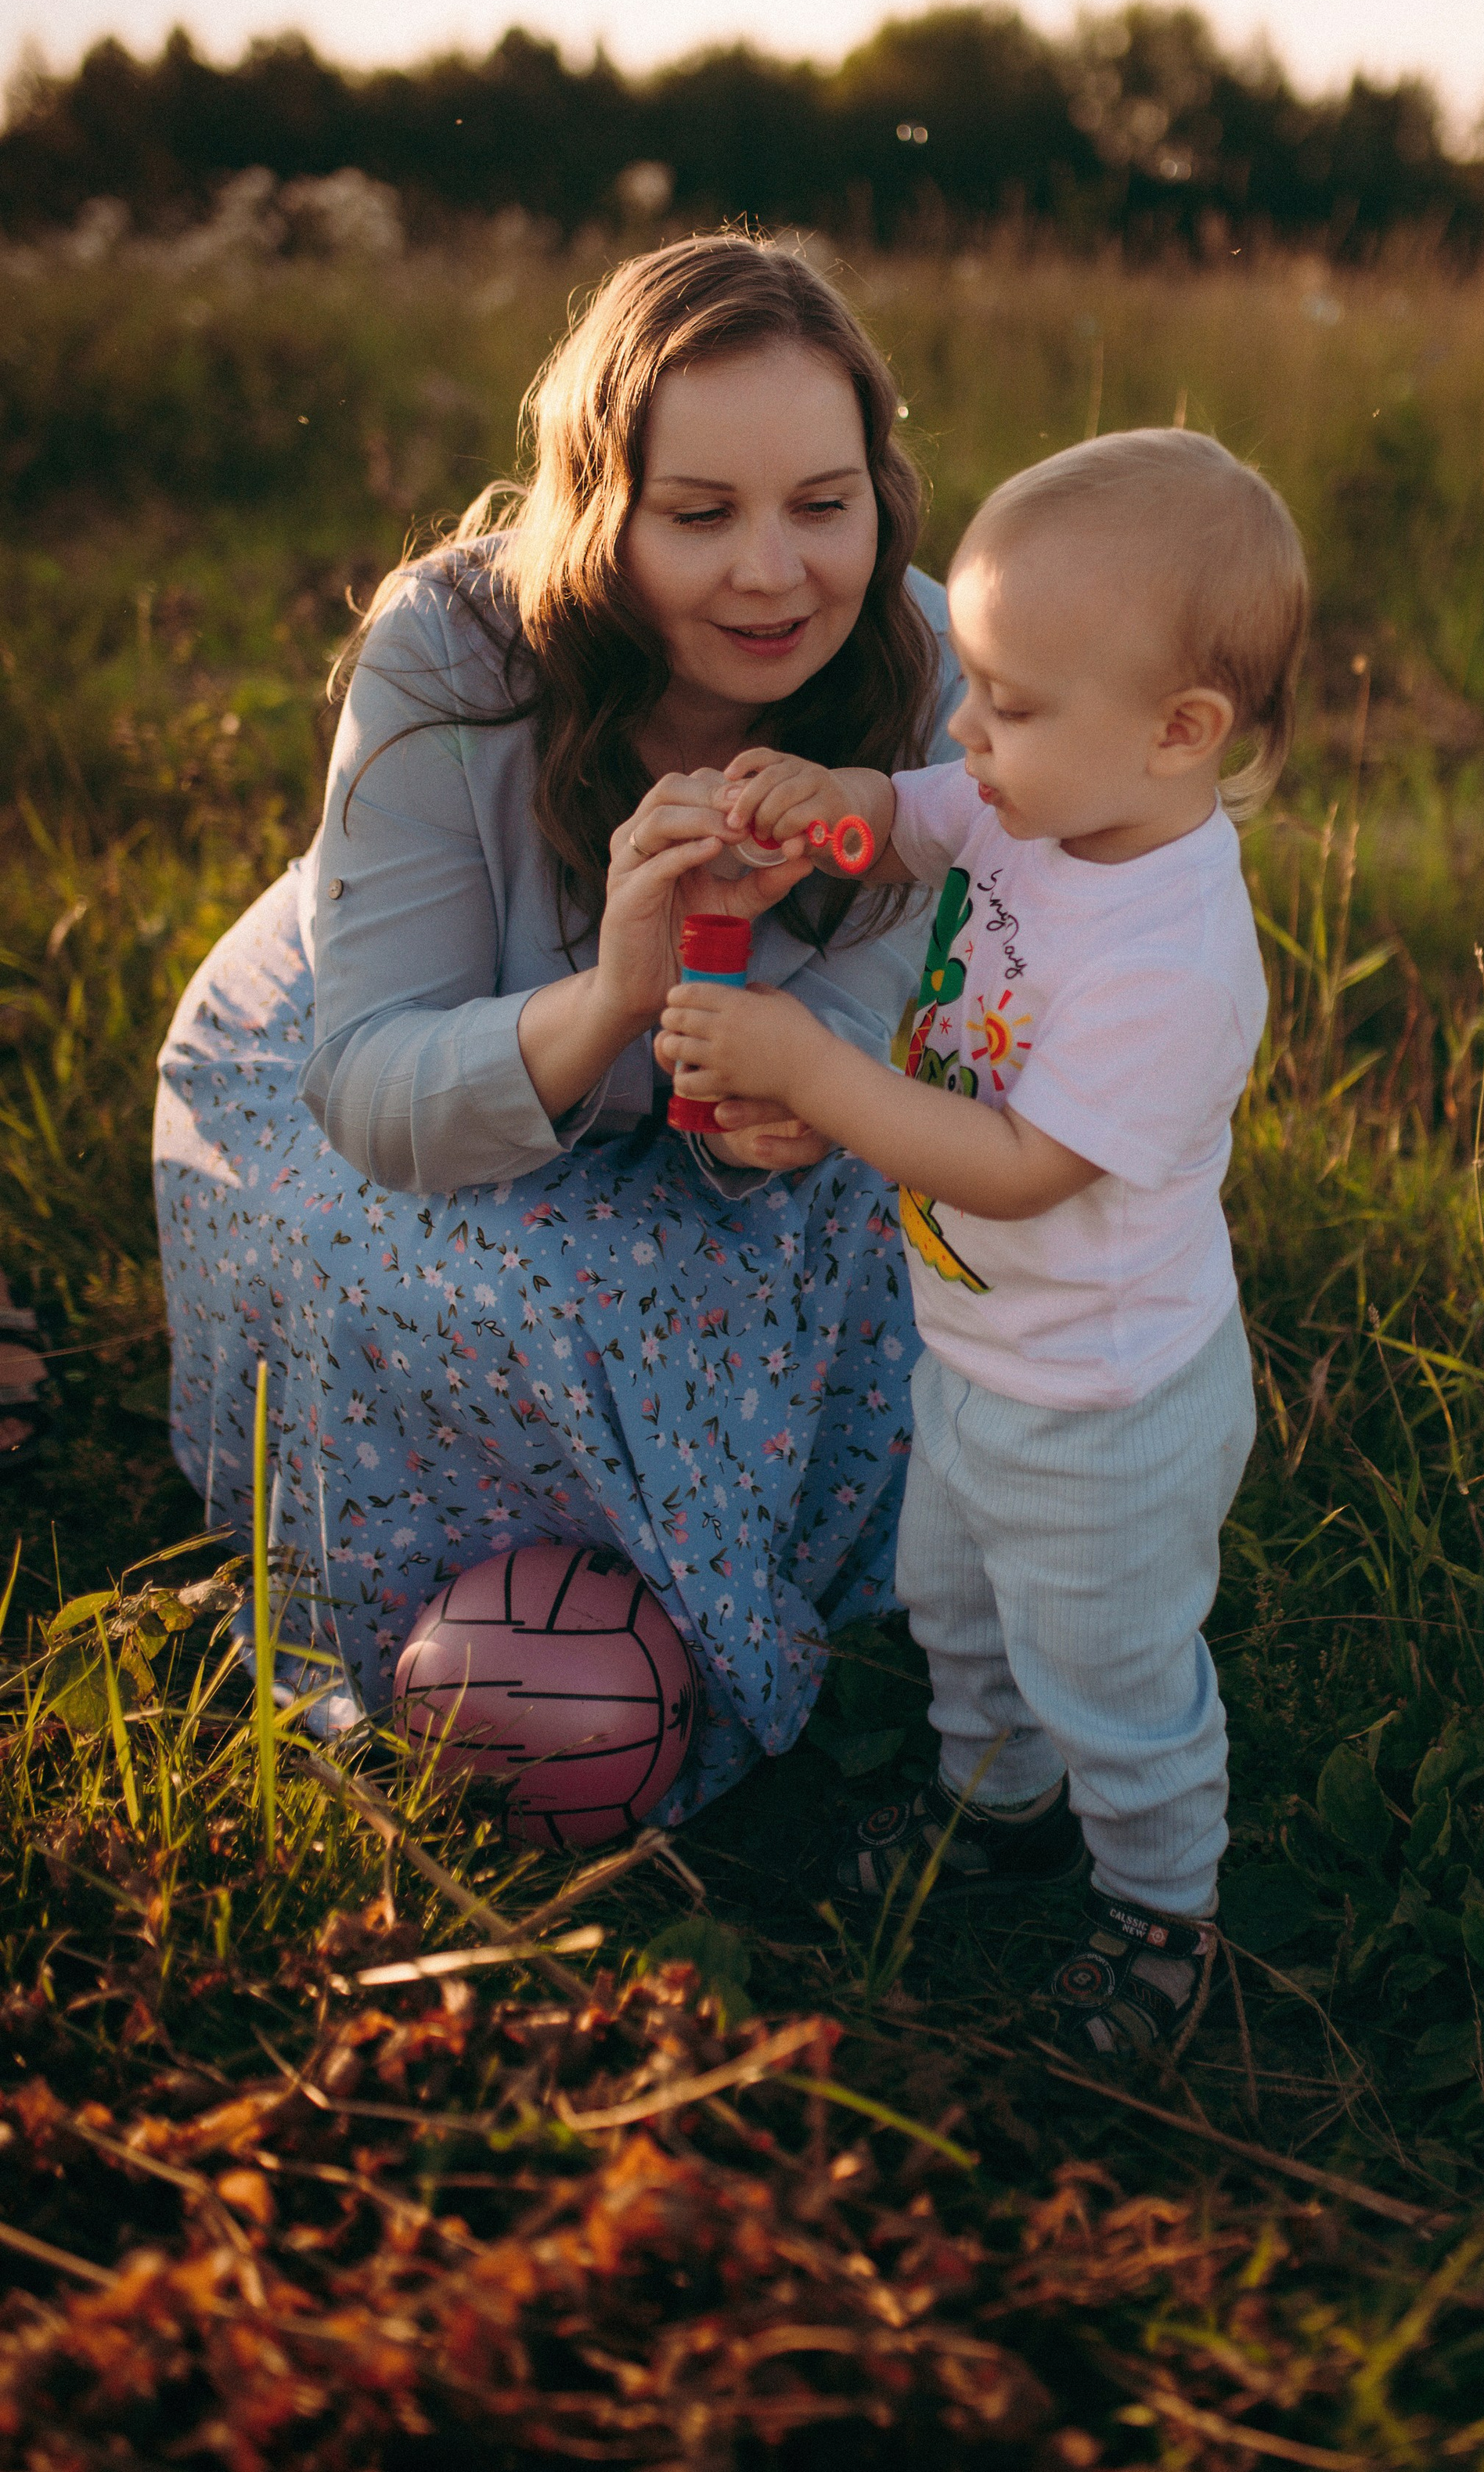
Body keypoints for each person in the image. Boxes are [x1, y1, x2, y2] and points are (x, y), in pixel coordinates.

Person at [152, 236, 962, 1818]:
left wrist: (797, 1099)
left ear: (881, 488)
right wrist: (612, 998)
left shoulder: (920, 665)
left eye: (822, 502)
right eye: (699, 512)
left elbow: (877, 1006)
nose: (773, 574)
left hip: (754, 1079)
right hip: (400, 1032)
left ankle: (720, 1587)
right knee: (416, 1265)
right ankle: (439, 1604)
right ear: (601, 508)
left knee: (904, 1206)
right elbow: (371, 1071)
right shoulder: (451, 647)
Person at [657, 427, 1308, 2057]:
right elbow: (933, 814)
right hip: (981, 1355)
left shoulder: (1173, 961)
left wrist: (818, 1071)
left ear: (1179, 734)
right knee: (954, 1602)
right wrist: (840, 807)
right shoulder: (1045, 803)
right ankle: (989, 1801)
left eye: (1008, 700)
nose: (968, 723)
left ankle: (1162, 1907)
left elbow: (1018, 1166)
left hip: (1103, 1404)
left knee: (1107, 1666)